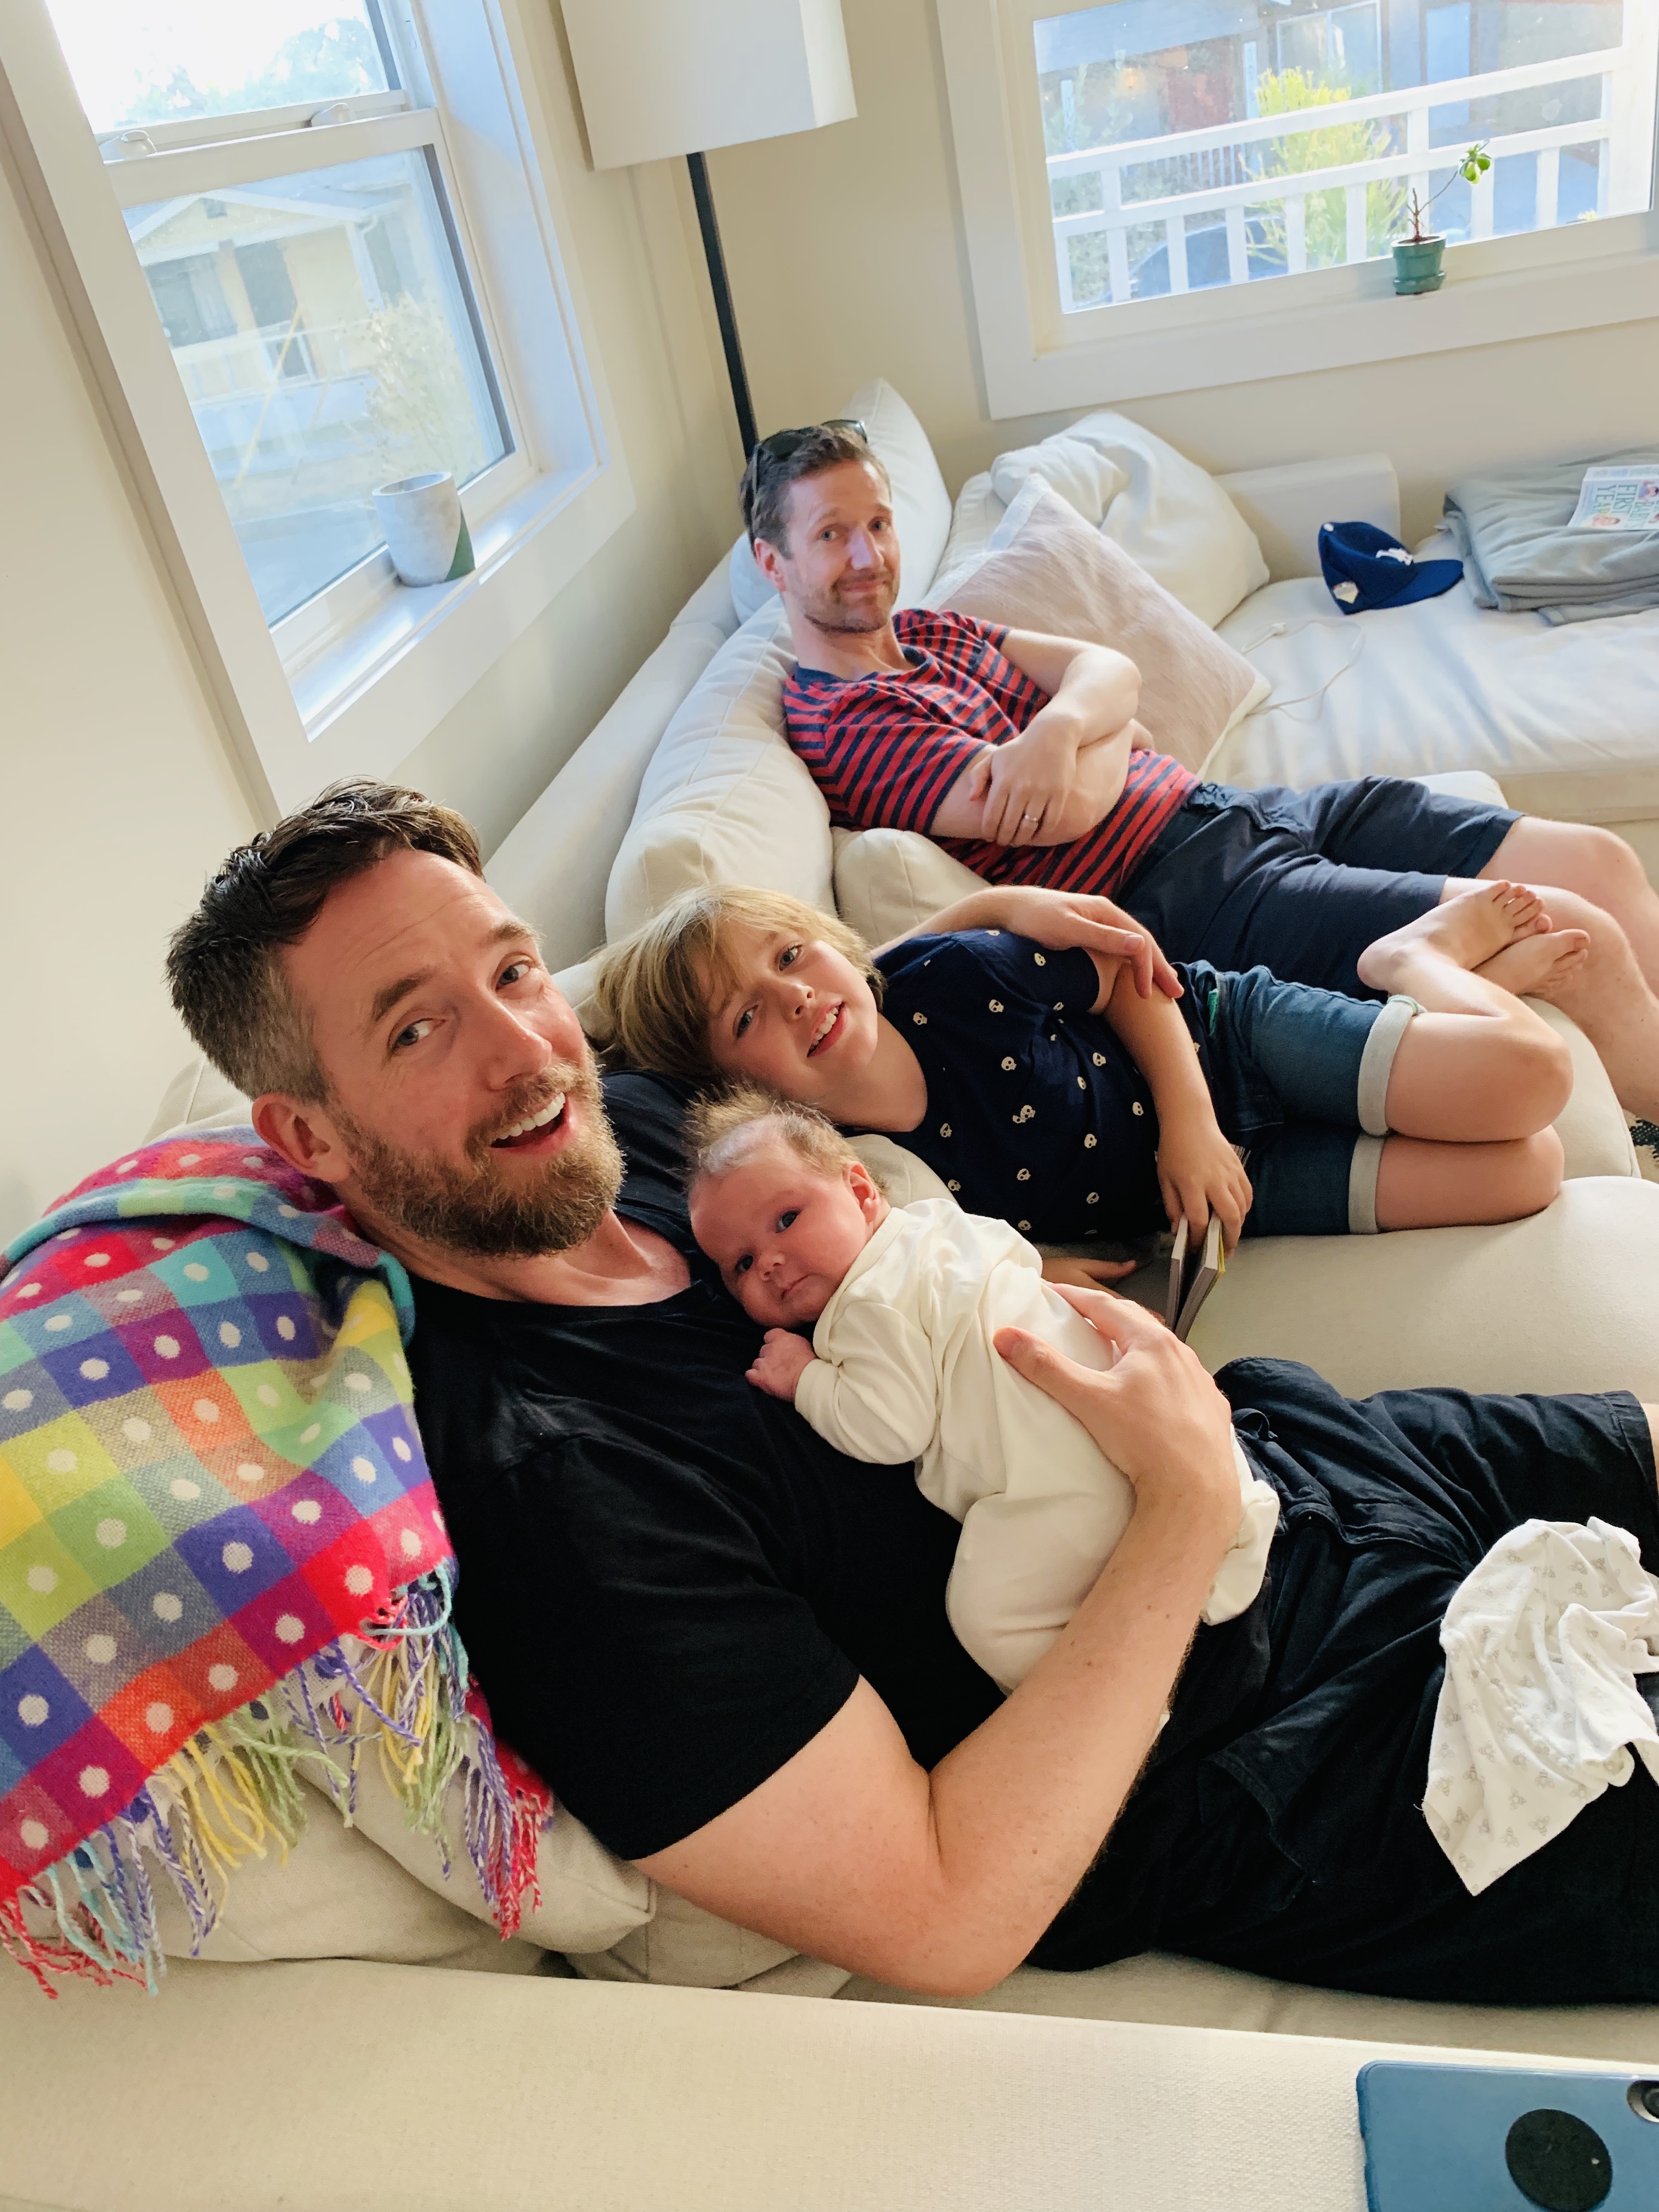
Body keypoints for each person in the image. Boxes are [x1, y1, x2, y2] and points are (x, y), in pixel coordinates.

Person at [165, 780, 1659, 2006]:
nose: (522, 1052)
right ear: (311, 1140)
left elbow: (824, 1012)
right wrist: (1180, 1502)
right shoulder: (556, 1492)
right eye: (416, 1028)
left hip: (1288, 1448)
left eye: (511, 972)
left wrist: (988, 917)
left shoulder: (645, 1120)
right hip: (1272, 1734)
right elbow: (943, 1913)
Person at [745, 420, 1659, 1121]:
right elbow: (1069, 808)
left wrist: (1064, 723)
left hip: (1236, 811)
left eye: (877, 524)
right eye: (831, 535)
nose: (867, 557)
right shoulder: (846, 722)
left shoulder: (929, 630)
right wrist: (1110, 730)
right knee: (1576, 926)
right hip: (1188, 892)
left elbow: (1109, 669)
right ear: (771, 561)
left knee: (1600, 861)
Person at [593, 880, 1579, 1251]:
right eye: (746, 1016)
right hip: (1214, 1195)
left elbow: (1126, 975)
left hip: (1221, 1040)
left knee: (1532, 1080)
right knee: (1526, 1170)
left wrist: (1191, 1123)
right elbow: (942, 1256)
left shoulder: (950, 979)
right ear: (735, 1086)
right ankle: (1424, 1009)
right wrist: (1043, 1265)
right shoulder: (848, 1170)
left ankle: (1410, 960)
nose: (796, 998)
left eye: (790, 956)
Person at [684, 1088, 1281, 1694]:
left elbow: (891, 1429)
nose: (770, 1261)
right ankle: (1242, 1522)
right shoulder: (937, 1223)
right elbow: (1018, 1257)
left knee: (987, 1619)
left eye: (787, 1220)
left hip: (1053, 1485)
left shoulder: (861, 1308)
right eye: (741, 1264)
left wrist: (806, 1377)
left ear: (861, 1192)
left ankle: (1112, 1698)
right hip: (1139, 1409)